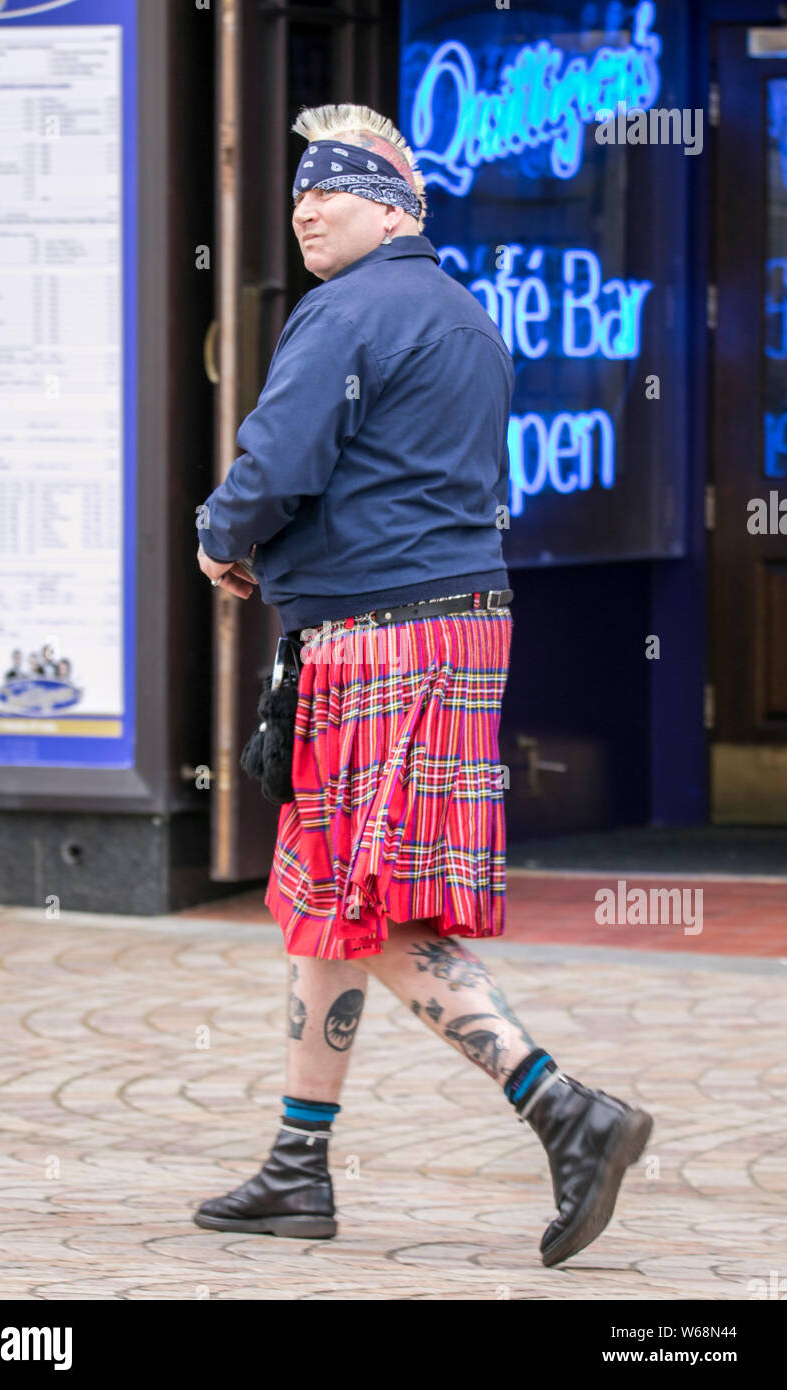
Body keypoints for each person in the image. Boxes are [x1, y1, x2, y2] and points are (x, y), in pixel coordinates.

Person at [193, 103, 652, 1266]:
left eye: (331, 188)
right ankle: (299, 1163)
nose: (304, 207)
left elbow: (277, 463)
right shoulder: (463, 317)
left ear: (391, 207)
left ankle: (561, 1105)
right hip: (449, 626)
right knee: (325, 896)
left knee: (364, 900)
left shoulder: (342, 309)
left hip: (377, 638)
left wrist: (221, 534)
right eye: (296, 190)